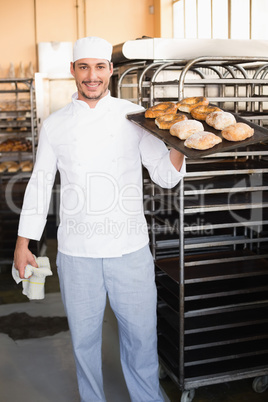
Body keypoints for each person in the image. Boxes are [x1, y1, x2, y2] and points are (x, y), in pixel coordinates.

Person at [13, 36, 185, 402]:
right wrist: (23, 244)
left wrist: (180, 140)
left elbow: (165, 176)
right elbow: (40, 184)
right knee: (84, 344)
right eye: (84, 67)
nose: (92, 76)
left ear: (111, 70)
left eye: (100, 67)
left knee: (141, 339)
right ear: (72, 71)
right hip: (77, 254)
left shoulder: (135, 116)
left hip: (131, 250)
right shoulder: (55, 125)